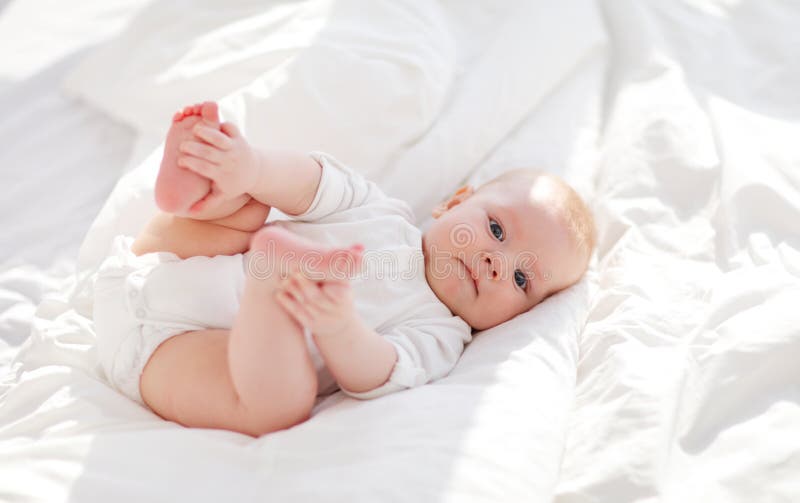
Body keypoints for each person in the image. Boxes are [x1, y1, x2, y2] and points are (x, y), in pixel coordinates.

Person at [92, 101, 596, 437]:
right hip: (166, 261)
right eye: (497, 231)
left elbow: (378, 371)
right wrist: (255, 168)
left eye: (521, 280)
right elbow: (317, 181)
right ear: (453, 202)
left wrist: (339, 326)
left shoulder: (440, 332)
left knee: (279, 405)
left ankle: (273, 284)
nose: (493, 262)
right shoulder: (379, 212)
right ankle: (205, 186)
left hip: (168, 350)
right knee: (252, 204)